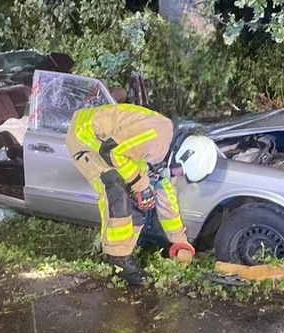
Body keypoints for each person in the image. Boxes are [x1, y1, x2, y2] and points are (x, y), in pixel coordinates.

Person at [66, 103, 218, 286]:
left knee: (142, 198)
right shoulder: (156, 135)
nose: (180, 176)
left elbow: (167, 201)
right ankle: (119, 260)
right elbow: (111, 151)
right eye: (182, 171)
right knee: (115, 186)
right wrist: (141, 185)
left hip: (113, 146)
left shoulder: (167, 156)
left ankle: (123, 253)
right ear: (182, 155)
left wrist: (180, 241)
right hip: (87, 134)